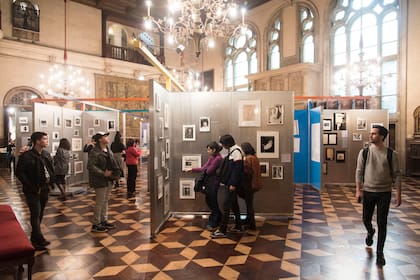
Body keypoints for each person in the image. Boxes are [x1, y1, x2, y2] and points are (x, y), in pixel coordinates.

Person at [355, 125, 401, 267]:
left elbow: (397, 175)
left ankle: (380, 253)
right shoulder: (364, 152)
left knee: (382, 222)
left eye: (374, 134)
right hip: (368, 191)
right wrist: (358, 190)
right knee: (366, 219)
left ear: (382, 136)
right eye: (370, 133)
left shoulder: (391, 154)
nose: (371, 136)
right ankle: (370, 232)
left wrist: (398, 193)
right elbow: (359, 172)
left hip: (384, 193)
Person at [16, 132, 55, 250]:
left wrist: (51, 183)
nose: (47, 140)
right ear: (37, 141)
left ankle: (35, 238)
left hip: (44, 188)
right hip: (32, 190)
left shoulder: (46, 154)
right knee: (35, 212)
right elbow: (20, 172)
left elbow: (50, 169)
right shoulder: (26, 156)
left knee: (40, 212)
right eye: (44, 138)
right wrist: (30, 186)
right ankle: (39, 238)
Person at [211, 135, 243, 238]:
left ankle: (223, 230)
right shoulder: (234, 151)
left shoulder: (236, 152)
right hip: (230, 183)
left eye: (223, 143)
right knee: (234, 205)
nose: (222, 146)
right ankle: (238, 226)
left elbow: (237, 170)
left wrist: (233, 183)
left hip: (231, 184)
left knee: (226, 206)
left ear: (227, 143)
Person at [187, 141, 223, 230]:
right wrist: (192, 169)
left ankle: (214, 221)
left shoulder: (218, 158)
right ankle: (219, 218)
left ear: (214, 150)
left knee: (212, 201)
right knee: (210, 201)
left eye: (209, 149)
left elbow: (209, 171)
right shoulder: (212, 157)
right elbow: (204, 168)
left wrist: (206, 169)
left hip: (213, 183)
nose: (207, 151)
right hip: (209, 182)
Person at [88, 132, 119, 232]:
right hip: (100, 179)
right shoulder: (94, 152)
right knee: (100, 202)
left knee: (105, 201)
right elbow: (90, 166)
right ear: (100, 139)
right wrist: (103, 173)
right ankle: (96, 224)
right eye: (104, 136)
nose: (107, 138)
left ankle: (103, 220)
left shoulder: (107, 149)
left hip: (108, 179)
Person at [240, 142, 262, 231]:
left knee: (249, 204)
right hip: (253, 184)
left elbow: (247, 172)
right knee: (249, 203)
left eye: (242, 149)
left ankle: (251, 223)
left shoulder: (248, 158)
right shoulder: (254, 157)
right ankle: (248, 220)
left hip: (249, 184)